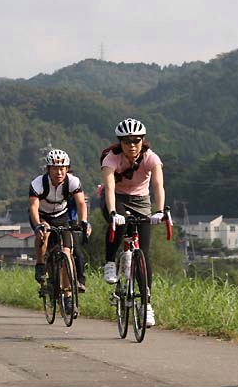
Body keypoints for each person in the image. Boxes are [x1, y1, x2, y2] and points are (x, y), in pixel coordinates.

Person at [100, 118, 165, 327]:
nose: (132, 145)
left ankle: (146, 305)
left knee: (144, 255)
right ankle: (110, 262)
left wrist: (160, 211)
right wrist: (112, 212)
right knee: (119, 225)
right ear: (120, 143)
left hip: (141, 200)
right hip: (116, 198)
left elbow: (158, 186)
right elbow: (109, 187)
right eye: (127, 141)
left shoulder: (151, 158)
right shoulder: (111, 159)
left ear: (142, 140)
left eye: (136, 141)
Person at [29, 149, 91, 312]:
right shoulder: (38, 183)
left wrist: (83, 222)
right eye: (55, 168)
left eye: (63, 168)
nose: (59, 172)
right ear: (48, 169)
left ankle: (68, 296)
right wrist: (38, 225)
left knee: (67, 252)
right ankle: (41, 264)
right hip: (42, 216)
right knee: (45, 233)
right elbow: (34, 207)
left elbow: (81, 204)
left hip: (62, 216)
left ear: (67, 168)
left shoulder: (73, 182)